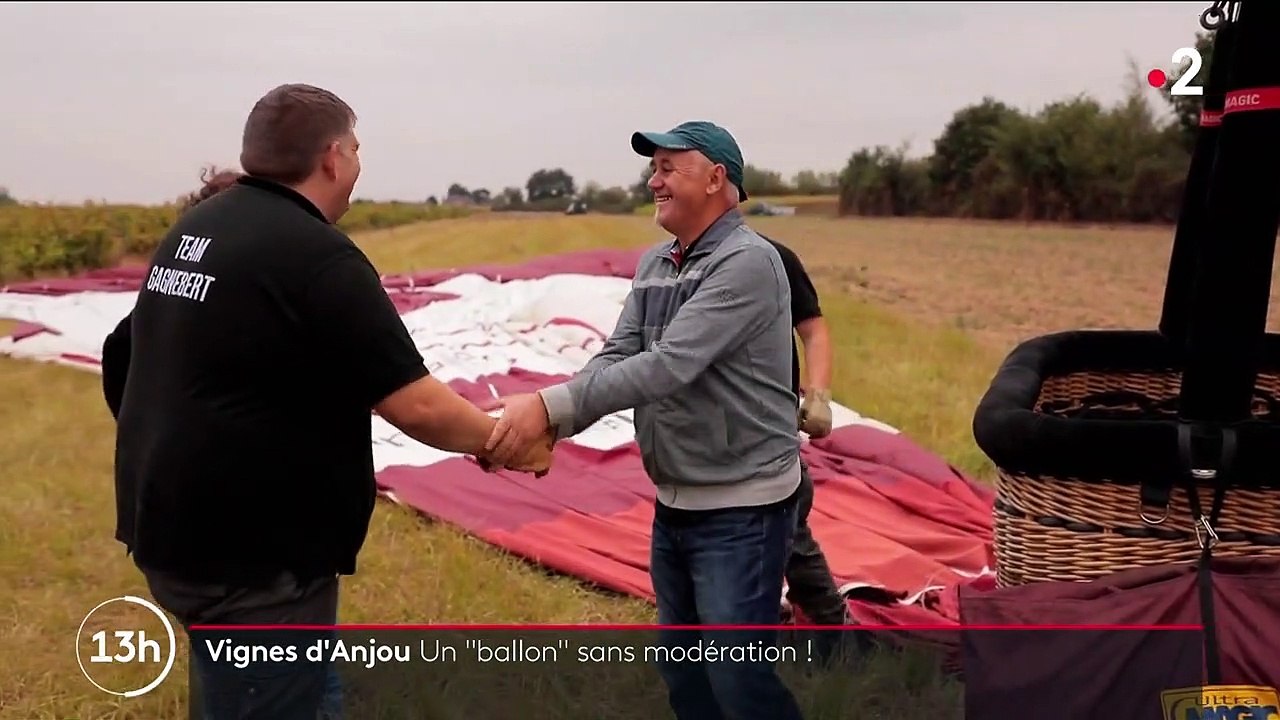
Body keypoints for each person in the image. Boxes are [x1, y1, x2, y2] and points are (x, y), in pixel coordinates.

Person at [101, 83, 552, 720]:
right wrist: (501, 439)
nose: (359, 165)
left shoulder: (196, 229)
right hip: (255, 555)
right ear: (333, 157)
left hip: (171, 527)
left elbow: (125, 355)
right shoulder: (315, 255)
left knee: (245, 686)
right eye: (358, 149)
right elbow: (415, 403)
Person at [486, 121, 805, 720]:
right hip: (677, 502)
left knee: (738, 683)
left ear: (716, 179)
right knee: (686, 678)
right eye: (651, 168)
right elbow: (618, 354)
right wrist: (552, 424)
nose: (652, 180)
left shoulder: (748, 263)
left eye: (667, 168)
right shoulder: (657, 262)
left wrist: (547, 407)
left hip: (742, 510)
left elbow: (668, 366)